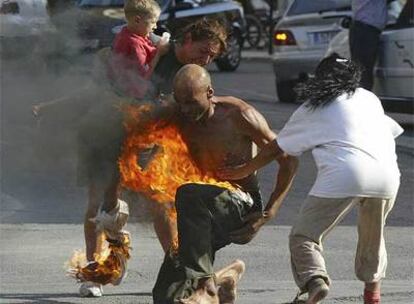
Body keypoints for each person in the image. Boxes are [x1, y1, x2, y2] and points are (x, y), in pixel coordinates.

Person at [218, 54, 403, 304]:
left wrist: (243, 170)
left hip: (345, 174)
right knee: (374, 236)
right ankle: (372, 296)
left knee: (304, 236)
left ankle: (314, 281)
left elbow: (278, 148)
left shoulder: (315, 104)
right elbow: (390, 131)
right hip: (388, 175)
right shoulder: (369, 98)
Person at [77, 18, 229, 297]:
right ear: (186, 41)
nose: (206, 59)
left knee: (163, 207)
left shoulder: (192, 74)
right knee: (98, 206)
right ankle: (95, 272)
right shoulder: (151, 51)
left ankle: (177, 269)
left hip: (151, 143)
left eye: (212, 56)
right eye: (203, 51)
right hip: (109, 134)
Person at [140, 64, 298, 303]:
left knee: (189, 194)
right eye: (181, 102)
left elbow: (289, 160)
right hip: (200, 212)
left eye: (192, 102)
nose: (186, 109)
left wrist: (268, 213)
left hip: (239, 203)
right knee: (165, 298)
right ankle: (225, 277)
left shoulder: (239, 115)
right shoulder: (177, 115)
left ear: (210, 93)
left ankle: (206, 287)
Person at [109, 0, 169, 99]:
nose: (155, 26)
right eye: (153, 22)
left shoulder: (127, 32)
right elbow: (143, 77)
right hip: (133, 95)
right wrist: (159, 53)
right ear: (137, 20)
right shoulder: (135, 44)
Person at [349, 0, 387, 90]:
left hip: (366, 30)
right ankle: (362, 100)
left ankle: (362, 98)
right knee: (363, 73)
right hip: (365, 30)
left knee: (363, 72)